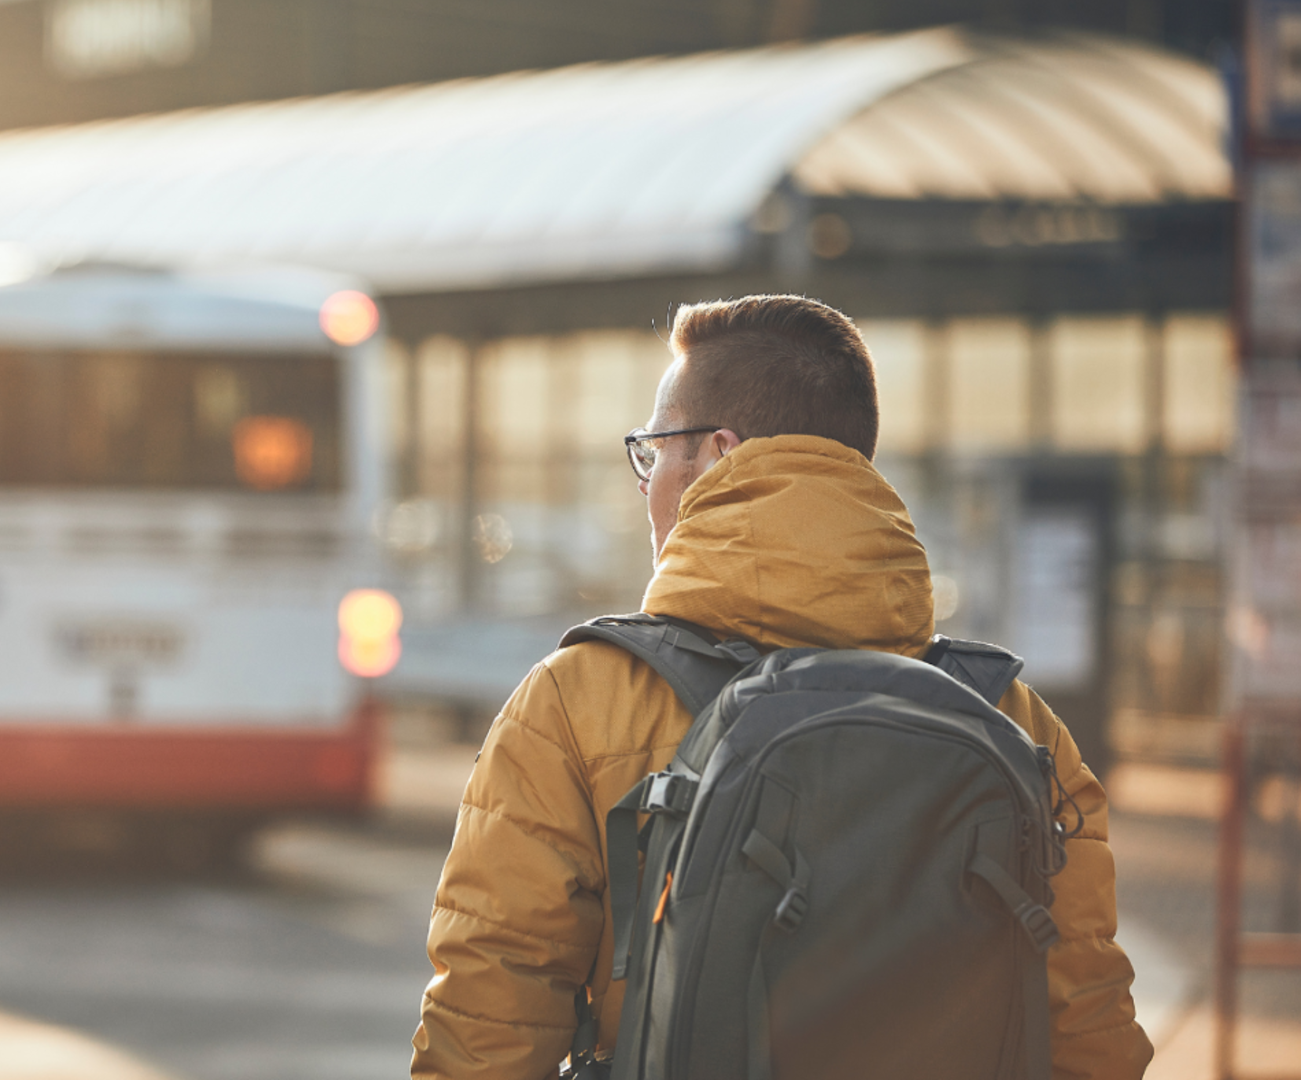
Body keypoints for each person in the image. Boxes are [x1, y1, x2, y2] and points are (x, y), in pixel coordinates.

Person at [410, 295, 1153, 1079]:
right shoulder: (1012, 718)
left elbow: (490, 1016)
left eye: (655, 449)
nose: (645, 482)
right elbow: (1088, 1024)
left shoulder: (577, 703)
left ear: (719, 456)